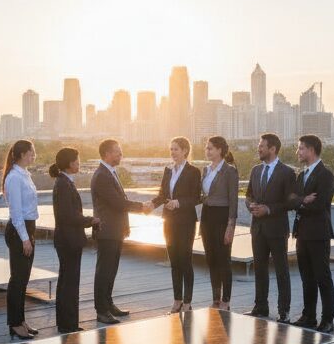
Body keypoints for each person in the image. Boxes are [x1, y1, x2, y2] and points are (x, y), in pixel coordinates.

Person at [91, 138, 152, 324]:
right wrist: (142, 206)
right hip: (107, 231)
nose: (121, 154)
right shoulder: (102, 175)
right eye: (118, 151)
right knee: (104, 271)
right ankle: (101, 311)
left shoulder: (110, 172)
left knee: (111, 270)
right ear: (107, 153)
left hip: (115, 231)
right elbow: (117, 203)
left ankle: (108, 305)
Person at [244, 132, 297, 322]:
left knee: (282, 270)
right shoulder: (256, 170)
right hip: (257, 228)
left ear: (272, 149)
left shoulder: (287, 173)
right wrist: (251, 205)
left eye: (261, 146)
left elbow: (290, 203)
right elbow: (248, 195)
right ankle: (261, 307)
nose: (258, 148)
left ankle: (284, 311)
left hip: (276, 229)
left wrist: (268, 209)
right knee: (260, 269)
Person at [288, 134, 334, 331]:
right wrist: (302, 200)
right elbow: (291, 200)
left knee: (322, 277)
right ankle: (308, 316)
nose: (297, 152)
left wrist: (300, 202)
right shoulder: (302, 175)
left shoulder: (326, 175)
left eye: (300, 148)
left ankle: (327, 320)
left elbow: (319, 204)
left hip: (318, 233)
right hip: (302, 233)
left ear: (311, 150)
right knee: (306, 277)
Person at [149, 137, 203, 313]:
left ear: (185, 151)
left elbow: (196, 197)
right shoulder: (168, 170)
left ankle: (187, 302)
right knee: (174, 261)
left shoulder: (193, 171)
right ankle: (177, 300)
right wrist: (151, 205)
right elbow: (162, 194)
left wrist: (178, 203)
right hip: (169, 222)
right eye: (171, 149)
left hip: (186, 222)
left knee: (185, 261)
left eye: (176, 149)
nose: (172, 152)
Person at [49, 147, 99, 333]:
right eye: (77, 160)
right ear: (70, 163)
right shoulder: (63, 184)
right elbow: (68, 215)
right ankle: (67, 324)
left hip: (67, 240)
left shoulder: (64, 182)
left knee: (67, 281)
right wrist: (90, 220)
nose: (79, 162)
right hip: (68, 240)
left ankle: (67, 322)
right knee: (69, 283)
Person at [2, 139, 39, 339]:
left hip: (28, 228)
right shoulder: (14, 177)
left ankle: (21, 320)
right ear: (22, 154)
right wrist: (25, 239)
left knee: (23, 279)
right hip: (19, 230)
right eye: (32, 152)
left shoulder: (25, 174)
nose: (34, 155)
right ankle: (14, 323)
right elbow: (16, 213)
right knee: (17, 279)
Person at [198, 135, 239, 310]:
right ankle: (215, 298)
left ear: (220, 150)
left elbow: (233, 200)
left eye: (210, 148)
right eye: (206, 148)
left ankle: (226, 300)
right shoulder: (205, 170)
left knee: (223, 259)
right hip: (207, 216)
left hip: (223, 217)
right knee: (211, 258)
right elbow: (204, 195)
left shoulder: (230, 171)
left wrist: (231, 226)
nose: (207, 151)